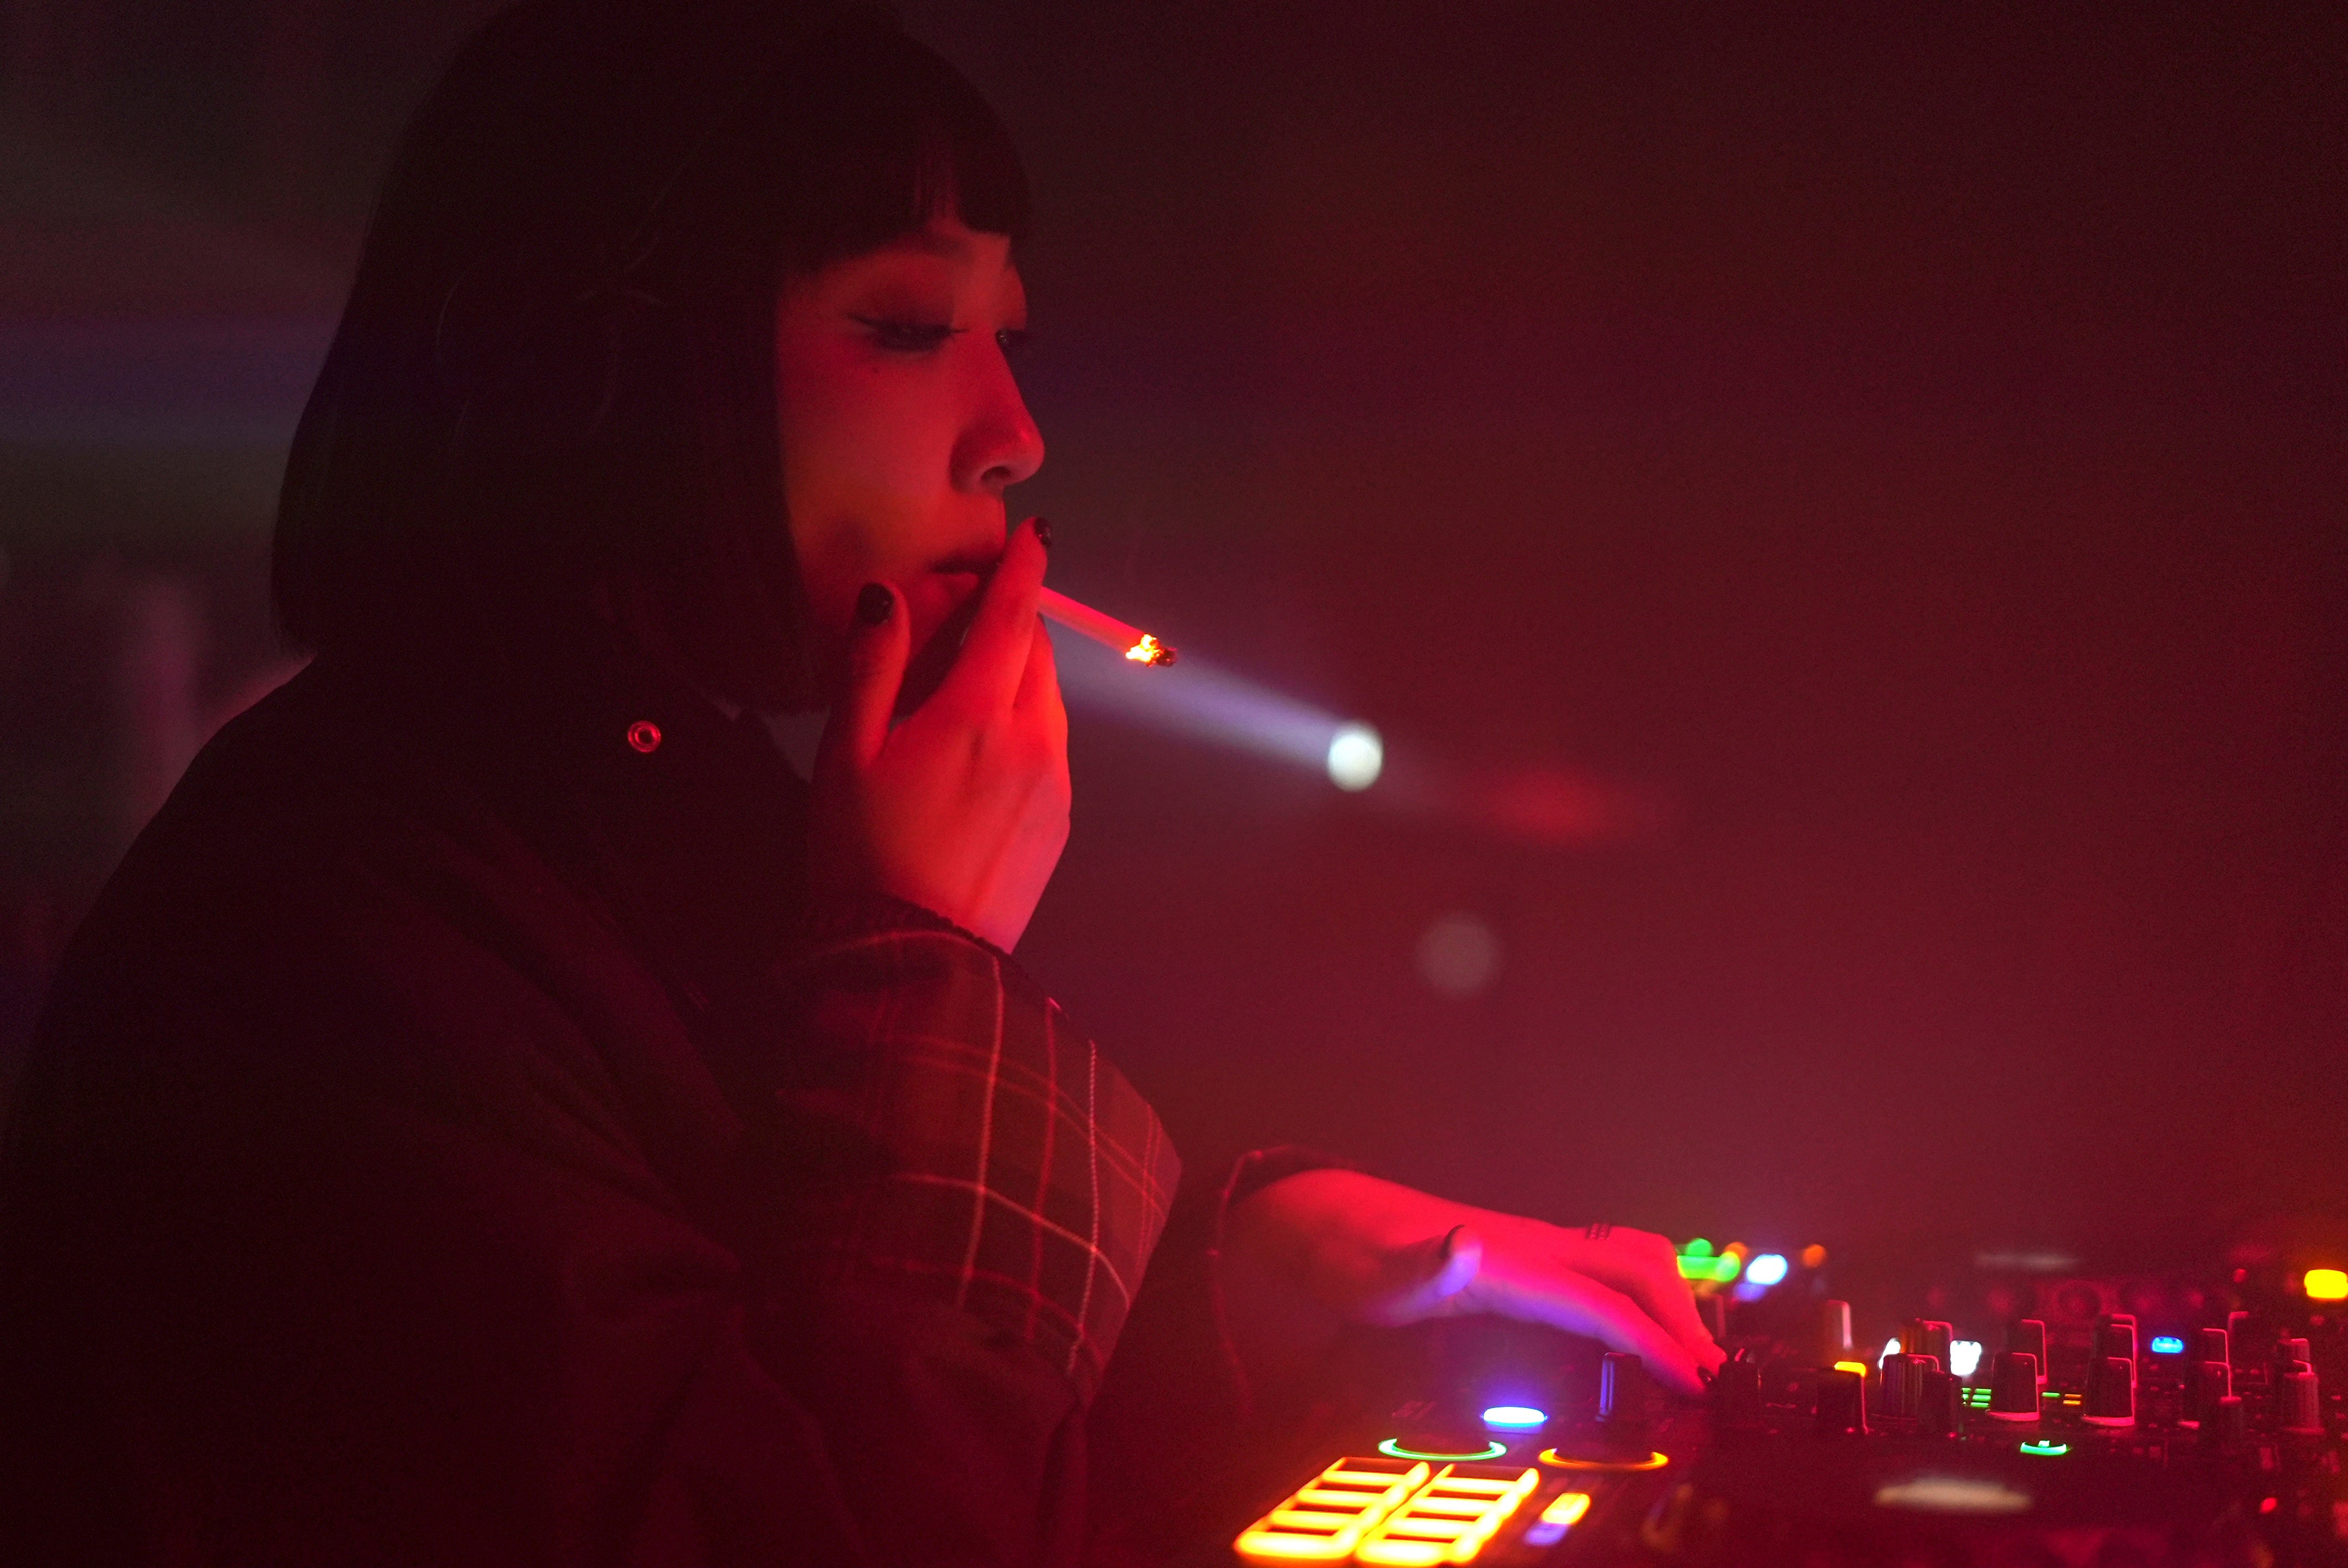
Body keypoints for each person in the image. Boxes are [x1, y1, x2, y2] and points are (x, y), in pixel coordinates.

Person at [0, 2, 1722, 1562]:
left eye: (1008, 334)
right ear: (609, 379)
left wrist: (1263, 1261)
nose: (1015, 432)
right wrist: (917, 970)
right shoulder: (311, 935)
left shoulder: (676, 802)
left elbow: (884, 1335)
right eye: (906, 325)